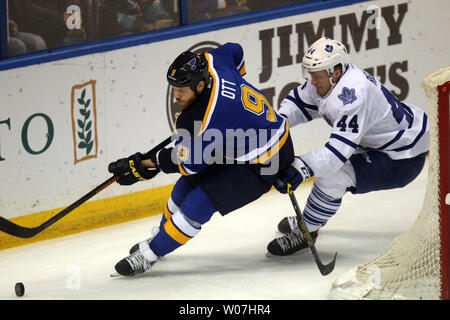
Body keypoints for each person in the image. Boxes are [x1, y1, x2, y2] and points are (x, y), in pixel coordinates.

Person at [108, 42, 294, 276]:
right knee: (185, 186)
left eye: (182, 90)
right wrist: (239, 84)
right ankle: (162, 234)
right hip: (240, 141)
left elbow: (187, 163)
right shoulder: (213, 62)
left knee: (199, 202)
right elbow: (235, 50)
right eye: (174, 88)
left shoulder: (206, 118)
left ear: (200, 84)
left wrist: (144, 165)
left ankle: (150, 253)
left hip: (266, 161)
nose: (176, 96)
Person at [266, 37, 429, 256]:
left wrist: (301, 167)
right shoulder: (329, 76)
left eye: (317, 76)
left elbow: (336, 155)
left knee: (334, 176)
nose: (312, 82)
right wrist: (274, 125)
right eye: (311, 75)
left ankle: (306, 231)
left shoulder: (351, 95)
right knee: (331, 173)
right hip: (382, 143)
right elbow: (299, 103)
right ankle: (312, 217)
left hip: (402, 159)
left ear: (336, 71)